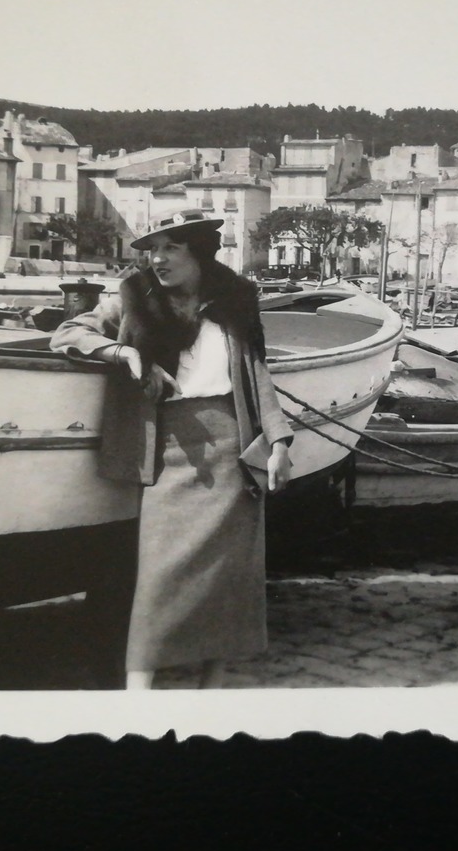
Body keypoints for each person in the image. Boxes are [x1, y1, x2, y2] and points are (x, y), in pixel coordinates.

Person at [49, 208, 294, 689]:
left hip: (235, 449)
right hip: (167, 448)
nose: (157, 259)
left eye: (170, 248)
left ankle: (212, 685)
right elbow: (68, 333)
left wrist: (280, 441)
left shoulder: (237, 298)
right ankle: (137, 692)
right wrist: (125, 352)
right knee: (161, 578)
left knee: (228, 579)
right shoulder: (135, 296)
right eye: (151, 250)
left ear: (198, 250)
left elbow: (256, 373)